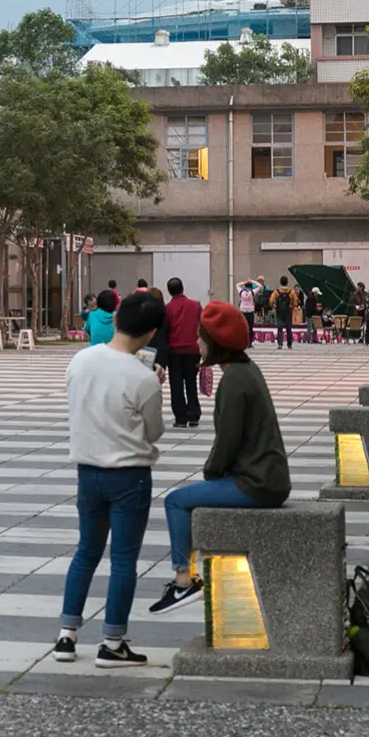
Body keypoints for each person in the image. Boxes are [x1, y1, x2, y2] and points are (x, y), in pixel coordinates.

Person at [149, 301, 291, 615]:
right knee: (189, 495)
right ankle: (185, 579)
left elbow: (227, 442)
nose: (198, 342)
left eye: (201, 337)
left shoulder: (234, 381)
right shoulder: (246, 370)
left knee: (175, 501)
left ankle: (183, 581)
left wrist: (211, 473)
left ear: (216, 344)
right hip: (266, 476)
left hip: (256, 483)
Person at [55, 292, 166, 667]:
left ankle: (66, 637)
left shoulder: (81, 359)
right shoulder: (143, 378)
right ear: (150, 333)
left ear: (117, 319)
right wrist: (156, 386)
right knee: (122, 560)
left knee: (86, 551)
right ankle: (113, 642)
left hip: (87, 472)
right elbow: (154, 433)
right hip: (129, 476)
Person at [165, 277, 203, 428]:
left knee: (176, 384)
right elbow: (203, 325)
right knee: (191, 382)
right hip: (193, 350)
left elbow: (165, 330)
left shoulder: (167, 309)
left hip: (174, 351)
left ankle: (180, 418)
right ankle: (194, 414)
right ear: (183, 288)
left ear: (169, 291)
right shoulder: (196, 305)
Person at [269, 276, 297, 350]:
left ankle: (280, 344)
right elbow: (295, 302)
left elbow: (271, 301)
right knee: (289, 328)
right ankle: (289, 344)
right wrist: (292, 308)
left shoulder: (276, 292)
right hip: (288, 312)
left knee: (280, 328)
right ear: (287, 282)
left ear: (280, 282)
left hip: (279, 312)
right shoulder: (291, 292)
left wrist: (274, 306)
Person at [236, 281, 256, 345]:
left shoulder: (241, 291)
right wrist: (252, 281)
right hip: (250, 312)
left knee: (243, 328)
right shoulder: (252, 292)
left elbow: (237, 285)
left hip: (243, 312)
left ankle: (242, 342)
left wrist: (244, 282)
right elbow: (260, 286)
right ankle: (250, 343)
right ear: (251, 287)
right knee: (250, 328)